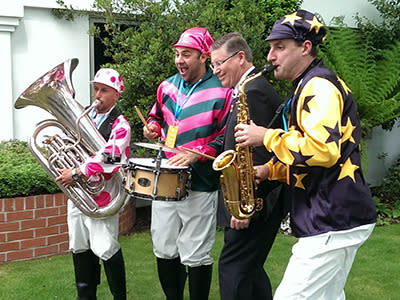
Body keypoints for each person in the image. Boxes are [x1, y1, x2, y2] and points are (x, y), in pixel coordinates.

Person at [234, 10, 377, 300]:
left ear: (306, 47)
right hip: (336, 215)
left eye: (280, 47)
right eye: (271, 47)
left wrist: (265, 136)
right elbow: (313, 157)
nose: (270, 56)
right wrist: (268, 171)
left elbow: (323, 150)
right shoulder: (307, 85)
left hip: (332, 217)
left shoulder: (318, 86)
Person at [142, 27, 232, 300]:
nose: (180, 60)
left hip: (202, 182)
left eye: (187, 54)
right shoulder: (166, 86)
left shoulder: (223, 90)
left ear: (204, 56)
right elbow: (155, 117)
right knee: (164, 246)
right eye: (178, 54)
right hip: (166, 178)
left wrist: (197, 153)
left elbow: (226, 137)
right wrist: (151, 128)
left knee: (195, 251)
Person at [209, 32, 287, 300]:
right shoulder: (247, 89)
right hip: (251, 201)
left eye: (220, 63)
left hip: (254, 203)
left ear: (240, 58)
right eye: (213, 65)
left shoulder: (253, 91)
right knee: (250, 272)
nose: (216, 70)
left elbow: (264, 154)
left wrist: (246, 207)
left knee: (234, 271)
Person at [56, 68, 131, 300]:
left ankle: (119, 296)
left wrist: (77, 171)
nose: (97, 95)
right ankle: (85, 295)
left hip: (103, 195)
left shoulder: (121, 125)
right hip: (79, 194)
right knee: (78, 244)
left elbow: (112, 157)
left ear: (116, 94)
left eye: (104, 91)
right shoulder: (84, 118)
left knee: (105, 247)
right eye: (96, 89)